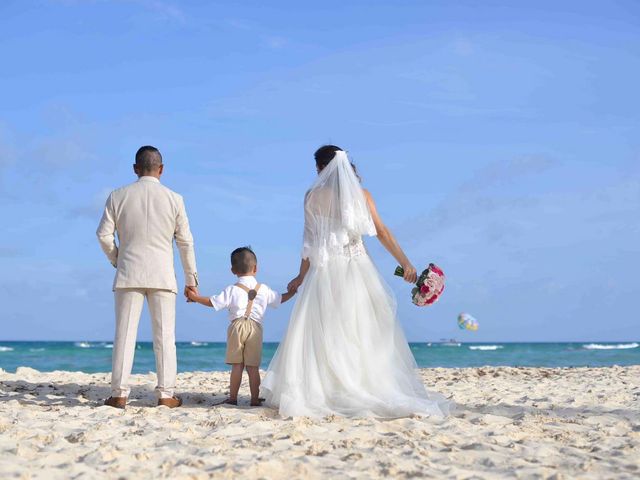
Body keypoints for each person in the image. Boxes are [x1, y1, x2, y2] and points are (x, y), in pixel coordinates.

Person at [260, 145, 450, 418]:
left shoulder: (311, 197)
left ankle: (328, 390)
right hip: (356, 270)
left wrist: (301, 277)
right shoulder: (361, 195)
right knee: (361, 331)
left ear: (320, 169)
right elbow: (382, 232)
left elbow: (310, 242)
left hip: (323, 272)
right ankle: (359, 384)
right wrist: (405, 263)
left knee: (326, 332)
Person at [96, 146, 198, 409]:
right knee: (165, 337)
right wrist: (191, 279)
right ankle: (166, 394)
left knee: (125, 335)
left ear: (135, 168)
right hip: (163, 275)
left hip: (129, 272)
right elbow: (185, 242)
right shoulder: (175, 198)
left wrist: (117, 259)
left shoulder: (117, 196)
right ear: (161, 169)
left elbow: (103, 235)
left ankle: (119, 393)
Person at [186, 247, 296, 406]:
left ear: (233, 270)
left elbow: (213, 302)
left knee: (237, 365)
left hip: (236, 327)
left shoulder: (232, 289)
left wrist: (195, 297)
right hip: (256, 329)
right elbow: (280, 299)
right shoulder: (264, 289)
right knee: (253, 367)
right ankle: (254, 399)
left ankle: (233, 398)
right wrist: (292, 293)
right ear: (256, 268)